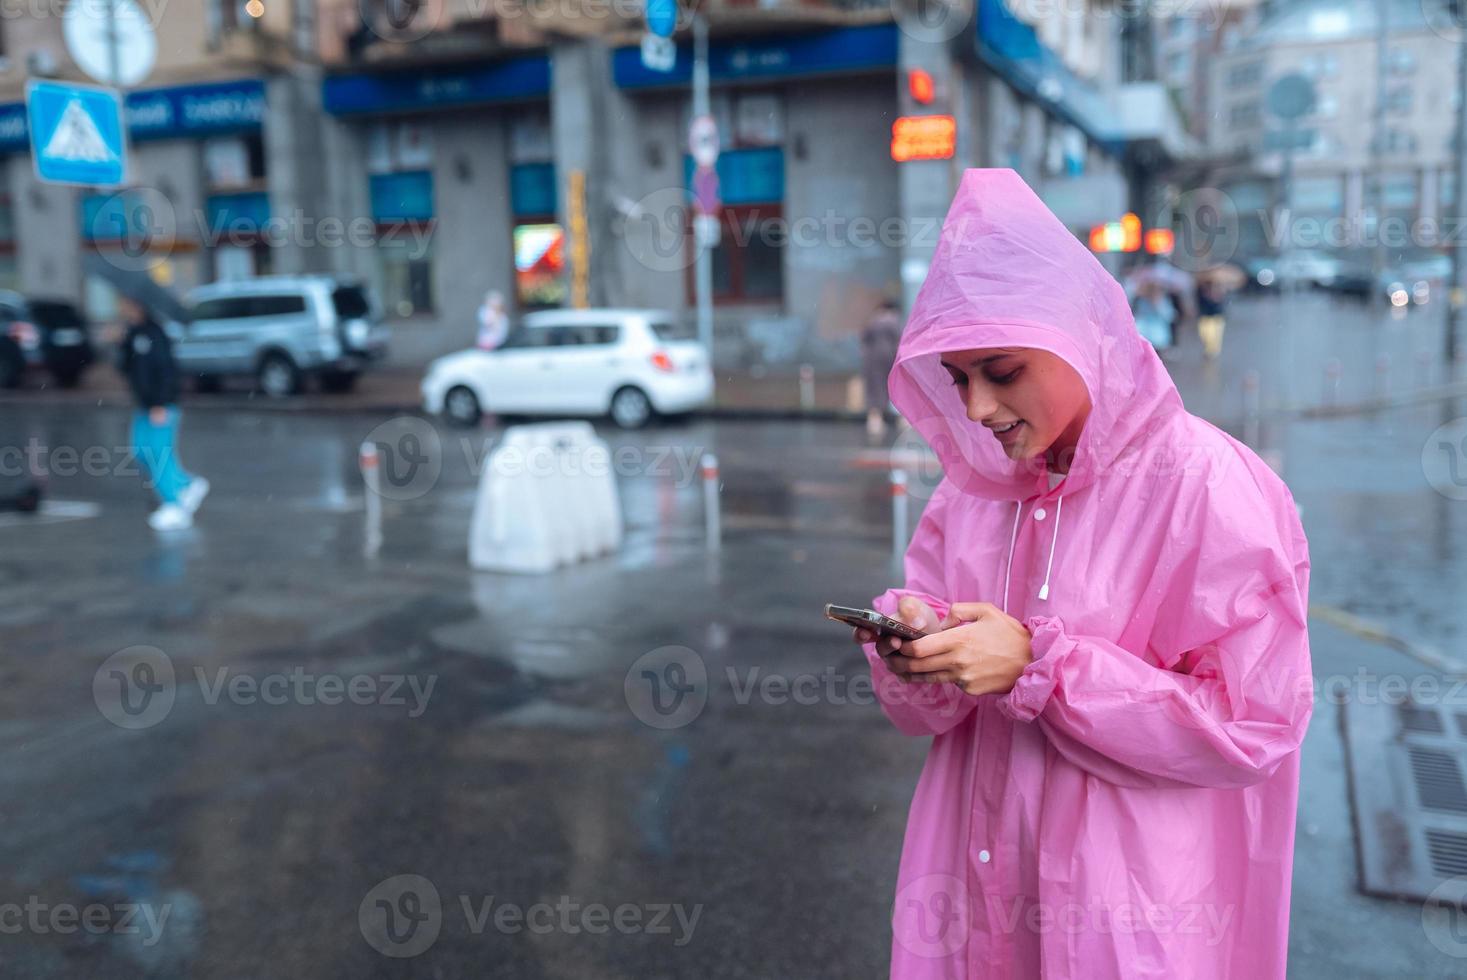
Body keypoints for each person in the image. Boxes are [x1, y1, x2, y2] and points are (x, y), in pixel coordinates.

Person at [850, 170, 1311, 979]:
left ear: (1079, 338)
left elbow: (1253, 724)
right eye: (958, 380)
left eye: (1001, 370)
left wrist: (1040, 667)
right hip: (969, 887)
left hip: (1127, 914)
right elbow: (926, 716)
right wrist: (921, 654)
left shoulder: (1205, 485)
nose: (978, 410)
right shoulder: (971, 493)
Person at [116, 295, 208, 531]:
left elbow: (167, 371)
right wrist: (120, 342)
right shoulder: (133, 333)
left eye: (126, 303)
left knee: (159, 454)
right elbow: (126, 367)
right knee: (140, 451)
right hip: (144, 405)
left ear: (139, 305)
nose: (123, 307)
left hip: (160, 405)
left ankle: (174, 505)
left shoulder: (156, 334)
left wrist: (160, 402)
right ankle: (187, 484)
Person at [861, 296, 904, 438]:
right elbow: (899, 339)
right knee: (896, 387)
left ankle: (875, 420)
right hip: (891, 356)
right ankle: (901, 418)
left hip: (873, 359)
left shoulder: (873, 321)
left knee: (875, 389)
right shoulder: (894, 320)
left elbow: (864, 339)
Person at [1196, 277, 1229, 359]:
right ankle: (1209, 349)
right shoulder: (1200, 289)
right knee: (1204, 334)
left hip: (1216, 316)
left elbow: (1220, 300)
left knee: (1215, 335)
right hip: (1204, 315)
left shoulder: (1219, 288)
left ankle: (1212, 351)